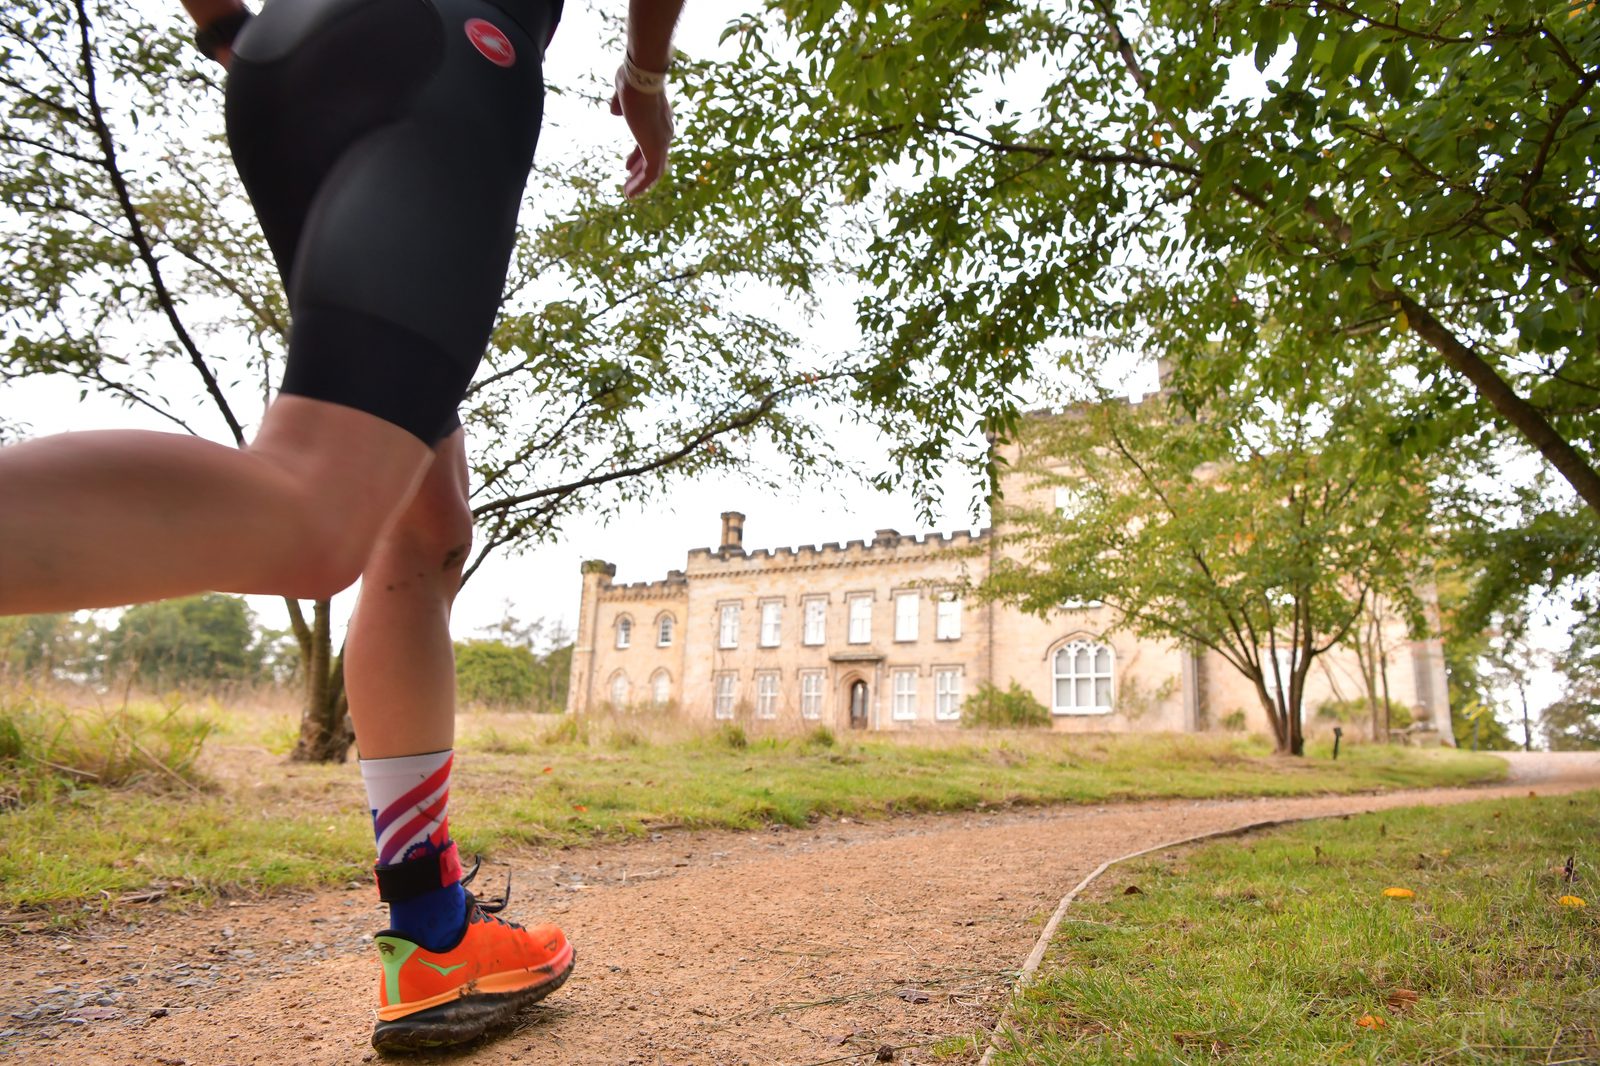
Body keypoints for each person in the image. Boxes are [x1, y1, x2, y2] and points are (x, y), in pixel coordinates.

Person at [0, 0, 683, 1050]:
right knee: (319, 518)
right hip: (448, 54)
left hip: (285, 59)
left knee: (423, 524)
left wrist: (226, 22)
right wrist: (644, 80)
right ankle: (436, 933)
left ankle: (434, 932)